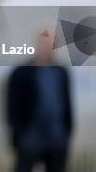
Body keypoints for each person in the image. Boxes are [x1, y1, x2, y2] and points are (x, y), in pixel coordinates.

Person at [6, 26, 73, 172]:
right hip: (30, 135)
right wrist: (19, 134)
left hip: (56, 136)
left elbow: (67, 104)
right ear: (37, 42)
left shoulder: (61, 72)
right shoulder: (21, 72)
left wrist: (66, 133)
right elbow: (11, 106)